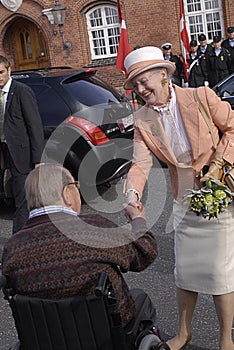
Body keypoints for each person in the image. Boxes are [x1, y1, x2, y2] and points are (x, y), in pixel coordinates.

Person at [122, 46, 234, 350]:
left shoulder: (200, 96)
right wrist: (132, 192)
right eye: (136, 85)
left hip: (219, 194)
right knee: (185, 271)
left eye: (145, 81)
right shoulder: (142, 119)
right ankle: (185, 333)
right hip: (184, 198)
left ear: (163, 74)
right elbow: (140, 163)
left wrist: (219, 164)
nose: (142, 89)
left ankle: (226, 339)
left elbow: (232, 128)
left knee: (219, 271)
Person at [2, 163, 161, 348]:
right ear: (66, 193)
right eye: (75, 186)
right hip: (106, 338)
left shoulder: (13, 247)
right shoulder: (93, 229)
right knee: (141, 299)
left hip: (44, 340)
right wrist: (138, 219)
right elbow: (146, 251)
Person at [0, 55, 44, 233]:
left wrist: (38, 159)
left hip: (21, 154)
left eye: (1, 72)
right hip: (3, 152)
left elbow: (34, 126)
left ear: (9, 70)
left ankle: (19, 243)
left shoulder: (21, 91)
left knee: (22, 201)